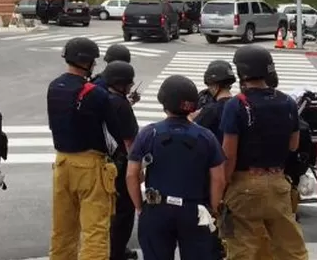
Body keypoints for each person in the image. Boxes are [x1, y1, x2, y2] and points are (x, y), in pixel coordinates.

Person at [219, 45, 307, 260]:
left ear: (241, 72)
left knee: (243, 247)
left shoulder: (237, 104)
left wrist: (224, 185)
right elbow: (294, 144)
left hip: (245, 183)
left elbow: (228, 153)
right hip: (278, 182)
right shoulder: (287, 102)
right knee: (290, 247)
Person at [127, 75, 226, 260]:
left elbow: (131, 175)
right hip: (194, 209)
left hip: (157, 208)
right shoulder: (206, 136)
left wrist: (140, 208)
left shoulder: (150, 133)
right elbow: (219, 179)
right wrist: (211, 209)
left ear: (164, 102)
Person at [47, 37, 126, 260]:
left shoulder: (54, 86)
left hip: (62, 162)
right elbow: (114, 134)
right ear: (87, 62)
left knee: (62, 228)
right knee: (94, 231)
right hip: (90, 166)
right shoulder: (95, 93)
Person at [100, 61, 141, 260]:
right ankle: (117, 253)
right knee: (124, 211)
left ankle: (107, 249)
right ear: (121, 84)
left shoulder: (101, 97)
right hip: (120, 164)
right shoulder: (121, 104)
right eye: (129, 84)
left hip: (101, 163)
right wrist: (136, 170)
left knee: (106, 210)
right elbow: (130, 140)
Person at [190, 59, 235, 142]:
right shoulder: (237, 104)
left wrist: (190, 117)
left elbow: (192, 131)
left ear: (215, 86)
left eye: (209, 85)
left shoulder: (211, 110)